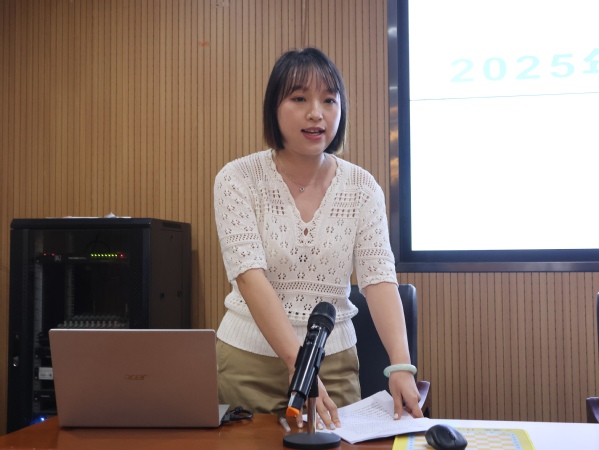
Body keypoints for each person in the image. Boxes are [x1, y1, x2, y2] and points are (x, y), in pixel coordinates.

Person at [213, 47, 423, 430]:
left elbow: (378, 278)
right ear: (274, 108)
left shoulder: (362, 188)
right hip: (249, 364)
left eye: (329, 100)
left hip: (335, 365)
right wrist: (299, 364)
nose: (316, 113)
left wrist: (401, 366)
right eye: (299, 99)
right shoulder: (238, 179)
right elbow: (249, 276)